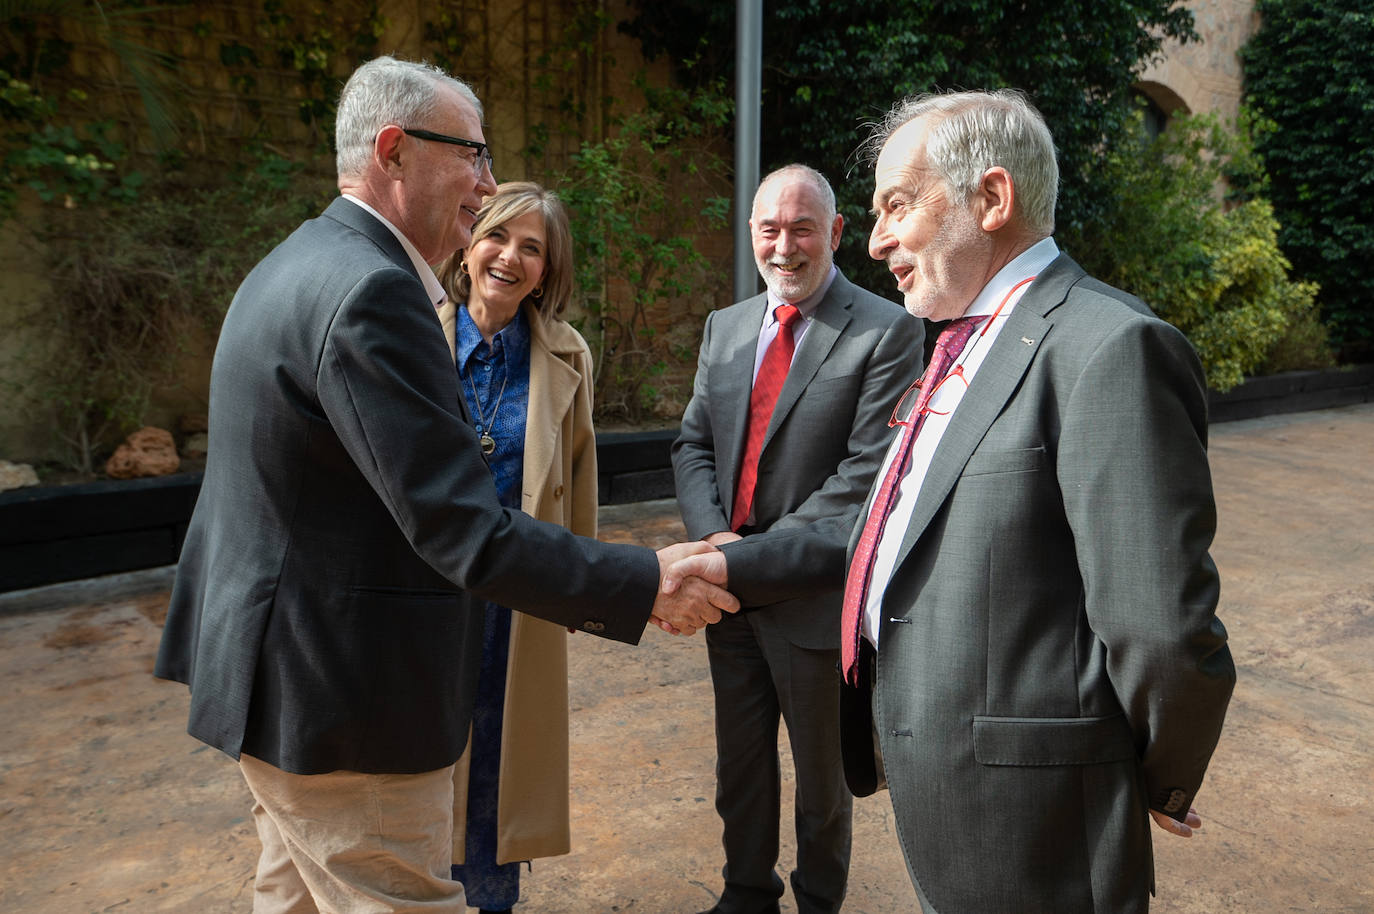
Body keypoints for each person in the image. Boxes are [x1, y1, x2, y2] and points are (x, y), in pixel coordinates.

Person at [154, 56, 734, 914]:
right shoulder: (374, 295)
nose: (487, 183)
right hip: (349, 707)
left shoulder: (298, 260)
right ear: (394, 149)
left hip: (285, 691)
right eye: (473, 154)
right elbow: (461, 526)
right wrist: (644, 580)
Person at [665, 89, 1236, 913]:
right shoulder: (963, 340)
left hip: (1033, 824)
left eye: (896, 205)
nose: (874, 240)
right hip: (958, 811)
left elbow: (1163, 628)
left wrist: (1145, 774)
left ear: (992, 199)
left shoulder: (1110, 347)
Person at [671, 164, 922, 914]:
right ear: (752, 234)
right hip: (728, 601)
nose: (785, 246)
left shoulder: (888, 332)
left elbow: (859, 485)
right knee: (739, 771)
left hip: (812, 605)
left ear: (837, 233)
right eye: (769, 229)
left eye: (803, 227)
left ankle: (819, 902)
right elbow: (691, 447)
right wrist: (714, 537)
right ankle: (745, 895)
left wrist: (732, 561)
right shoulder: (726, 326)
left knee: (822, 785)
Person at [428, 181, 590, 913]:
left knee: (499, 751)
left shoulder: (567, 356)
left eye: (533, 248)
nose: (510, 257)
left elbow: (579, 478)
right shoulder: (409, 335)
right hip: (426, 589)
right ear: (468, 245)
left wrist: (578, 589)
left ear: (547, 272)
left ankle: (492, 902)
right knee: (421, 753)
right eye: (498, 236)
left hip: (516, 596)